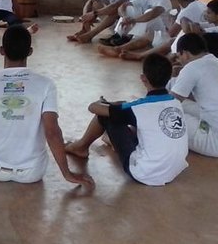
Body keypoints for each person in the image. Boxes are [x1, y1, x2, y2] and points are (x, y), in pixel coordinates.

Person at [0, 25, 93, 187]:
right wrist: (67, 173)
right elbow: (52, 132)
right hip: (33, 172)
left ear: (1, 51)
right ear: (30, 52)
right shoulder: (46, 85)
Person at [65, 53, 188, 186]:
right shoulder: (176, 102)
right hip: (174, 170)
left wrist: (105, 103)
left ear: (143, 78)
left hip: (145, 173)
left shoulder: (139, 108)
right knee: (139, 123)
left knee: (106, 116)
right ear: (169, 78)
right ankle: (110, 140)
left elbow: (93, 107)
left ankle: (80, 147)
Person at [115, 0, 207, 61]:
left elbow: (171, 33)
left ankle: (129, 51)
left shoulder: (185, 11)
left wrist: (171, 21)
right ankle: (125, 47)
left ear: (179, 0)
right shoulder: (202, 4)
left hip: (190, 40)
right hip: (202, 39)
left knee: (152, 35)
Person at [97, 0, 172, 55]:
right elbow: (122, 6)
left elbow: (152, 14)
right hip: (147, 28)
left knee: (149, 13)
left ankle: (129, 38)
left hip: (161, 30)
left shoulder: (164, 0)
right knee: (129, 8)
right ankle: (119, 35)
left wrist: (133, 20)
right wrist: (125, 17)